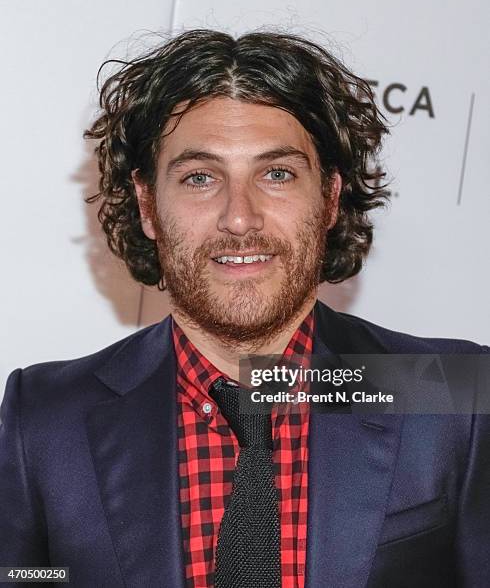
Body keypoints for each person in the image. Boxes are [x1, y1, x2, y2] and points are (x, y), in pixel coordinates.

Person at [0, 29, 488, 588]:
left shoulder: (449, 395)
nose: (240, 217)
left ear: (330, 196)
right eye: (200, 178)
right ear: (148, 206)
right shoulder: (46, 419)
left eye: (277, 173)